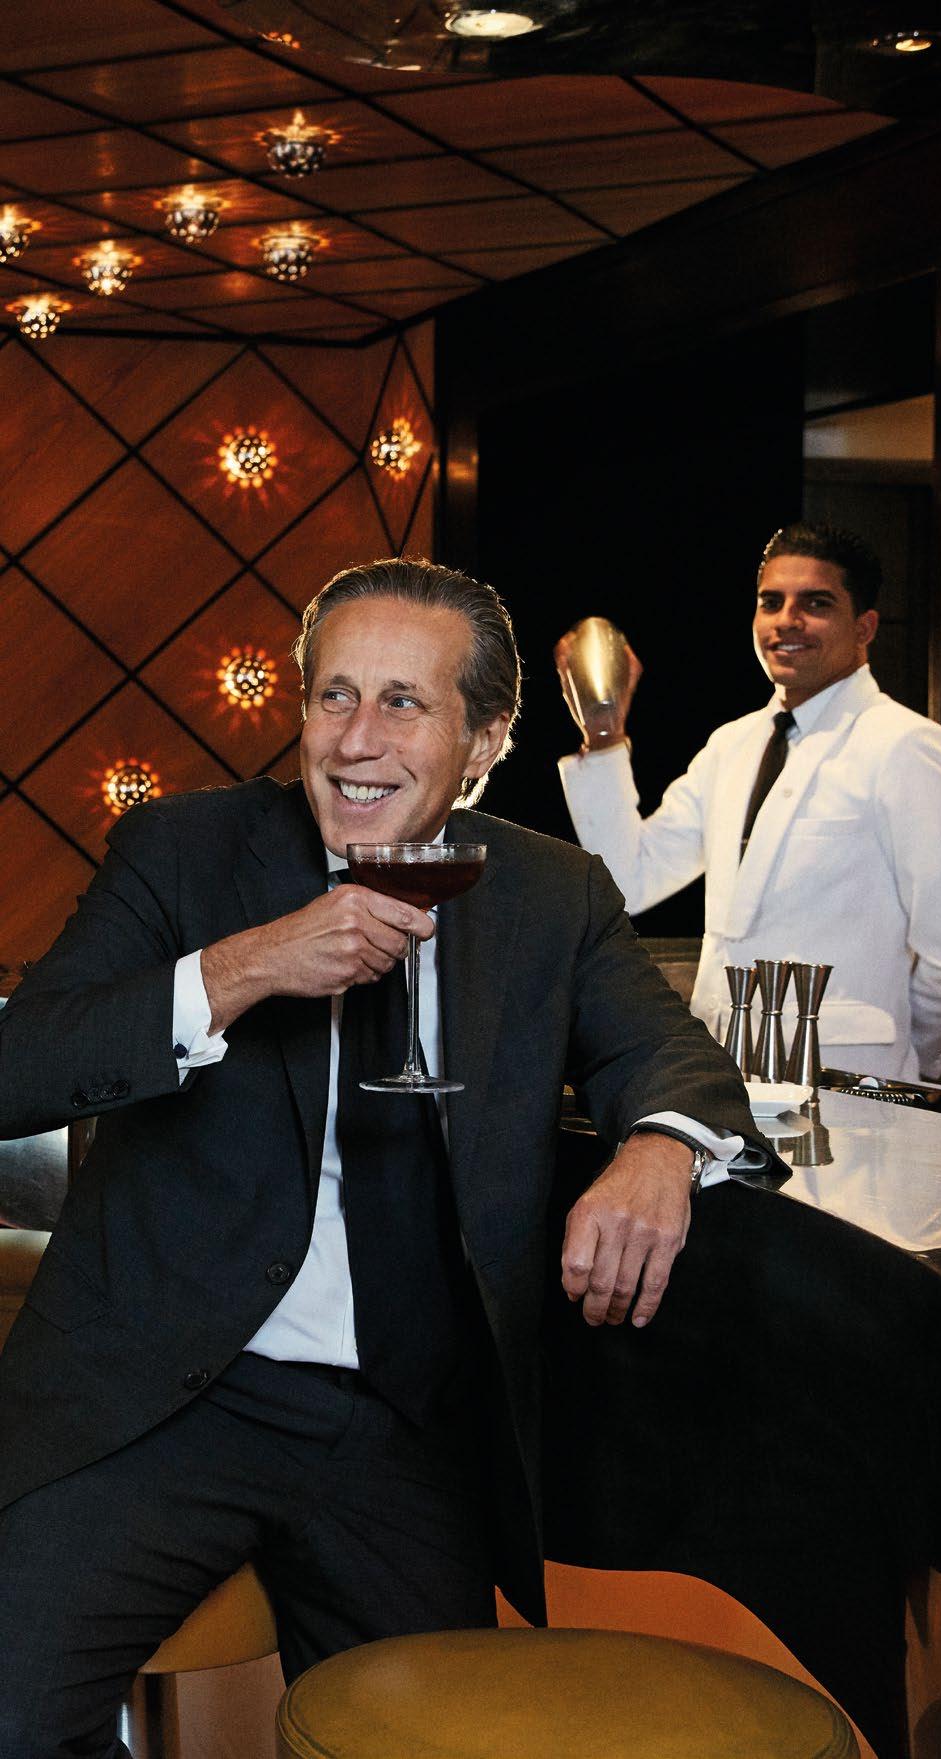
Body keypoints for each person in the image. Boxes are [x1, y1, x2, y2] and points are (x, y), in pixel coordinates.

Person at [0, 556, 776, 1759]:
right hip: (167, 1395)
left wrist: (658, 1151)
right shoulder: (181, 850)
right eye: (335, 696)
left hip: (401, 1422)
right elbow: (19, 1068)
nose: (356, 740)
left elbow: (669, 1055)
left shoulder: (549, 892)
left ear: (485, 741)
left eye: (403, 703)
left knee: (433, 1746)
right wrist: (246, 966)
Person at [557, 522, 941, 1082]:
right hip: (719, 1081)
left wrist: (898, 1061)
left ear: (865, 627)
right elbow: (630, 877)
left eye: (816, 603)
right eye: (771, 602)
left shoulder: (907, 747)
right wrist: (604, 736)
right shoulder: (733, 746)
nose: (787, 620)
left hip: (847, 1087)